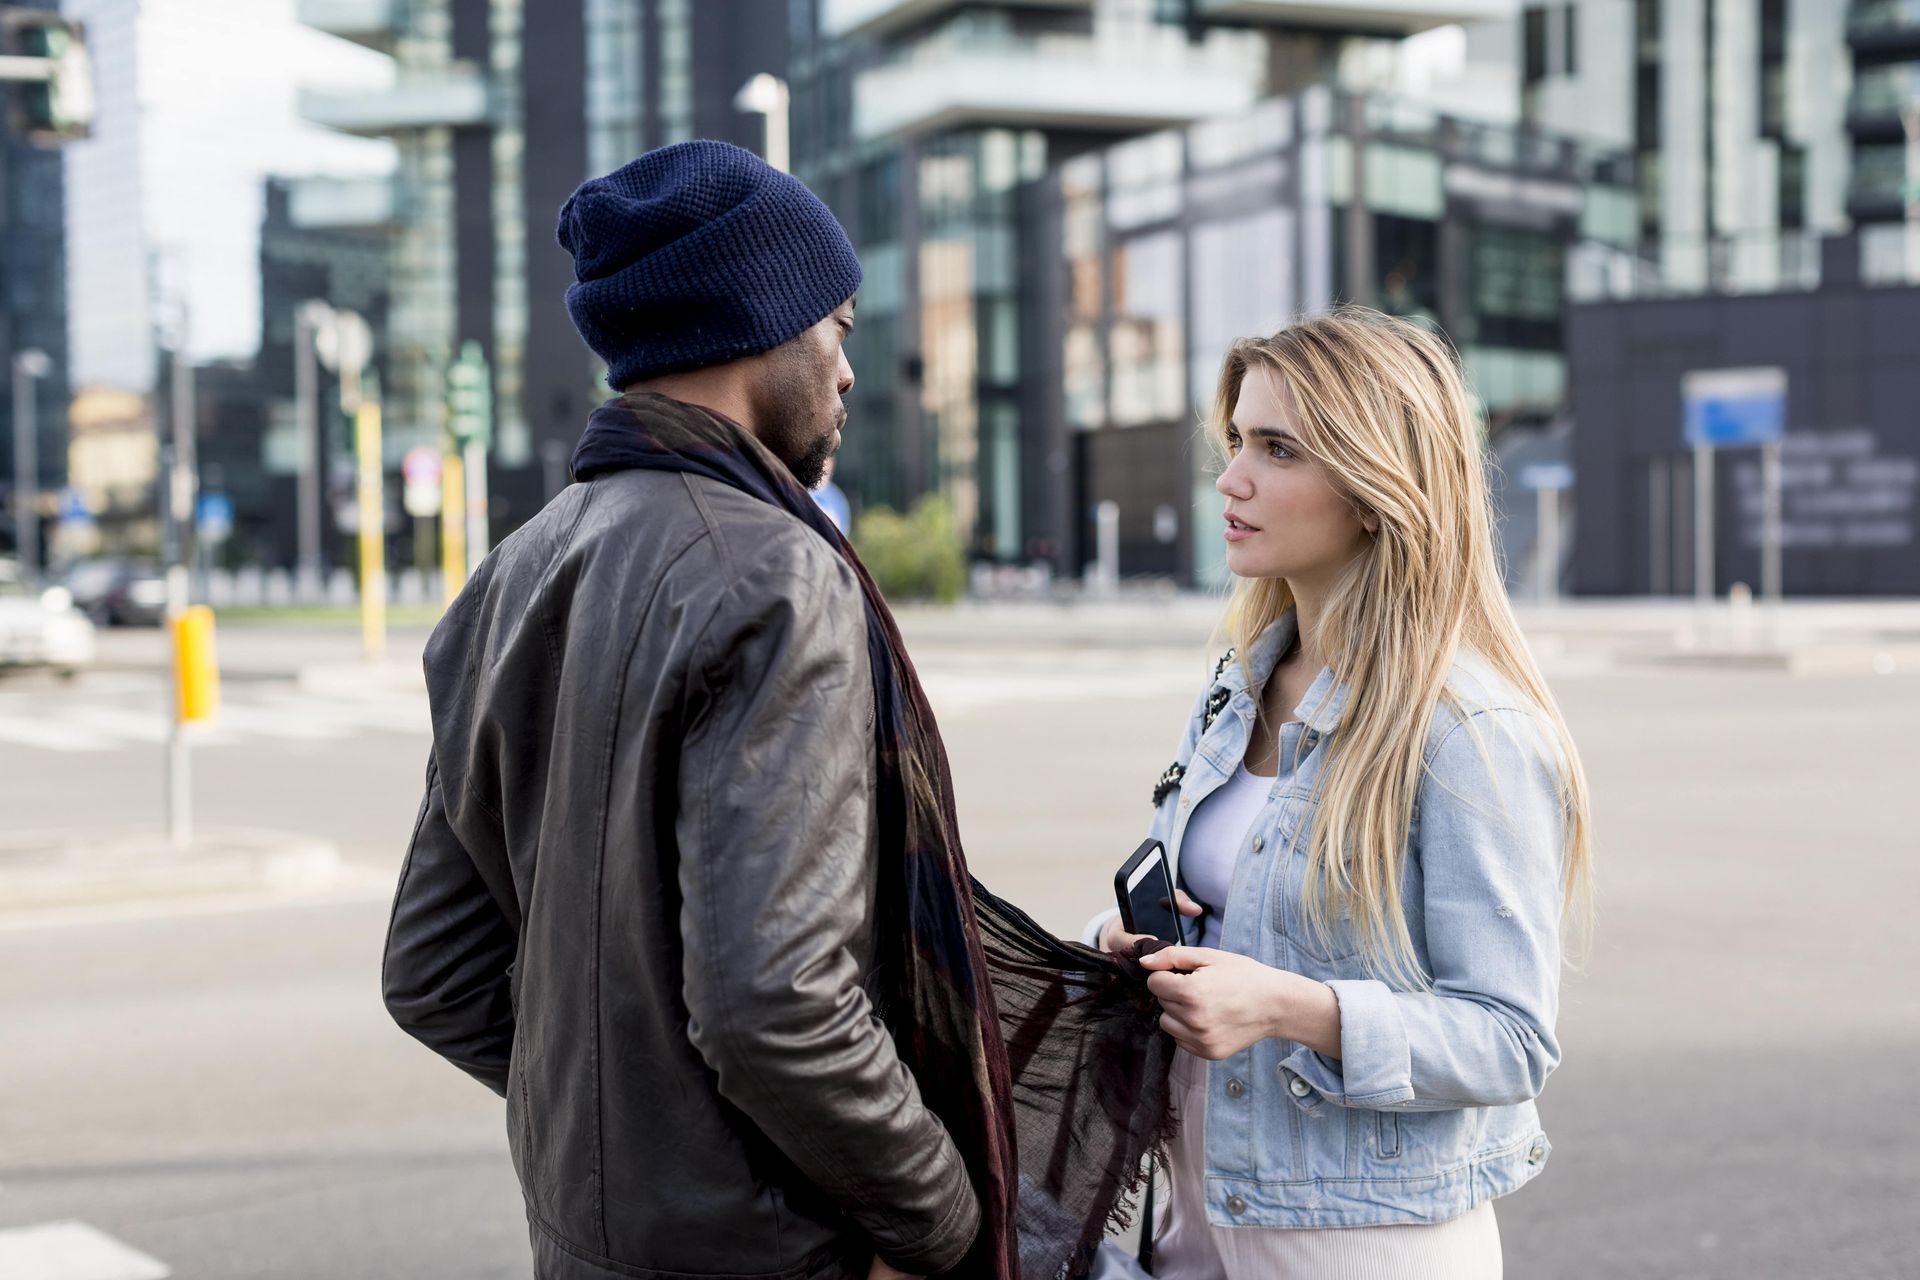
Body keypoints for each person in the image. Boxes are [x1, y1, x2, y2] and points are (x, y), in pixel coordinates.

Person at [382, 140, 1174, 1280]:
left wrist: (647, 1140)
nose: (849, 370)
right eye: (840, 328)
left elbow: (433, 972)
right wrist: (948, 1228)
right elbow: (775, 1007)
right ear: (761, 322)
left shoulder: (513, 571)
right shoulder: (773, 574)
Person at [1089, 307, 1594, 1278]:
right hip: (1194, 1223)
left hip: (1363, 1244)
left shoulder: (1466, 733)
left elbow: (1511, 1038)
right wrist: (1133, 946)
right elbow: (1239, 910)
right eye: (1237, 439)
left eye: (1277, 448)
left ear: (1374, 490)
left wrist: (1291, 1007)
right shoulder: (1235, 688)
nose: (1232, 477)